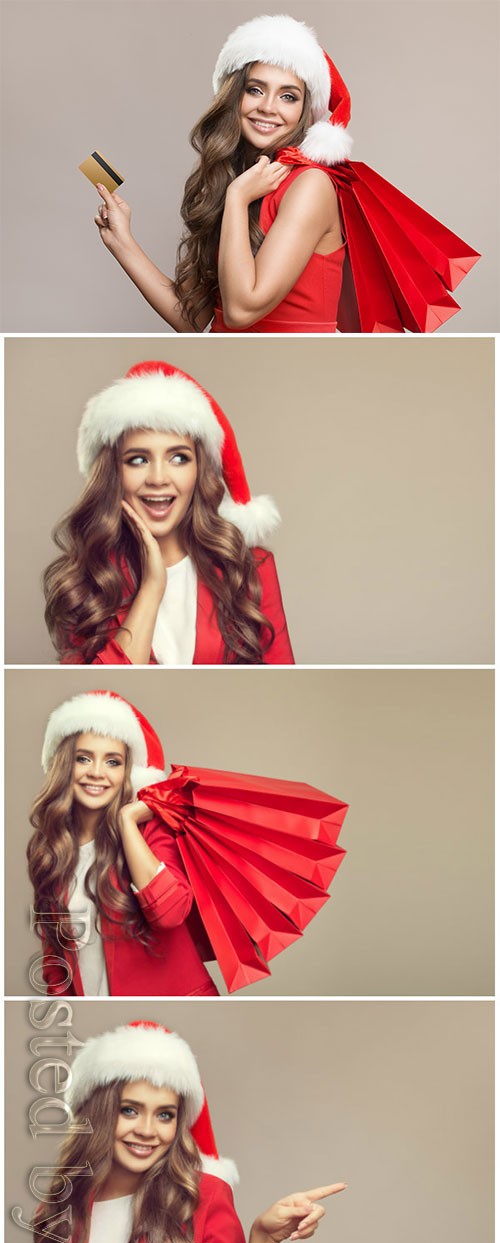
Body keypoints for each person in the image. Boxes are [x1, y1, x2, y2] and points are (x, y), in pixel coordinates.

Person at [92, 12, 480, 336]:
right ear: (234, 97)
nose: (269, 108)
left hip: (296, 377)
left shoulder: (310, 185)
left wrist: (237, 199)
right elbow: (194, 321)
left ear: (306, 110)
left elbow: (244, 310)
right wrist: (122, 242)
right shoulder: (239, 180)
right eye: (256, 90)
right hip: (233, 375)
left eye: (288, 96)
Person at [23, 1023, 344, 1243]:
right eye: (130, 1110)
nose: (147, 1131)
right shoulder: (58, 1211)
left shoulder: (204, 1197)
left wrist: (265, 1239)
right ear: (100, 1113)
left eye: (165, 1115)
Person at [43, 360, 294, 665]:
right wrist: (151, 587)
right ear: (114, 475)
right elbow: (104, 689)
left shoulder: (249, 569)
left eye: (178, 458)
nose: (159, 478)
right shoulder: (85, 583)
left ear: (199, 470)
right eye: (138, 460)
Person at [28, 692, 218, 997]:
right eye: (83, 758)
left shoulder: (151, 833)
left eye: (113, 761)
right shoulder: (53, 851)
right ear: (66, 765)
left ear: (128, 773)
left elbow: (170, 914)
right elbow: (56, 965)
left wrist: (128, 821)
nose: (96, 772)